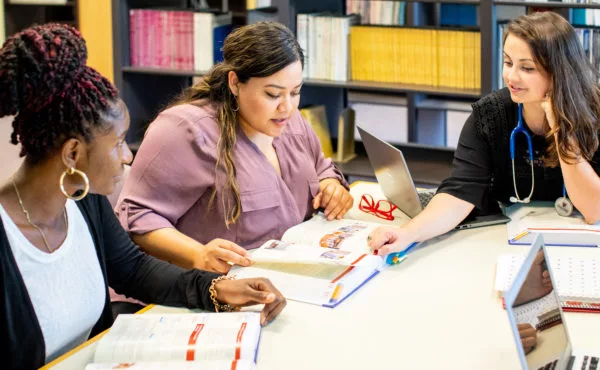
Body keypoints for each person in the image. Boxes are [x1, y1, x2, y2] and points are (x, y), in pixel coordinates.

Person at [0, 24, 285, 369]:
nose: (127, 156)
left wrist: (219, 289)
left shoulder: (82, 199)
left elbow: (134, 270)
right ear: (73, 154)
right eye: (118, 143)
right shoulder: (8, 236)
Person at [115, 22, 353, 274]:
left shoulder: (291, 122)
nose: (287, 107)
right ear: (235, 83)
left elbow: (321, 167)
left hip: (292, 276)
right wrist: (197, 254)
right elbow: (137, 216)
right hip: (210, 287)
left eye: (295, 92)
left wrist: (331, 185)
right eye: (273, 94)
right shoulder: (186, 131)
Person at [368, 12, 600, 256]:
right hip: (504, 242)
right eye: (508, 62)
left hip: (581, 247)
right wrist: (406, 234)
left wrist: (564, 136)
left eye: (527, 68)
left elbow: (594, 209)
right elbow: (460, 192)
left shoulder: (594, 114)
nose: (511, 77)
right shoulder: (490, 115)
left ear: (559, 73)